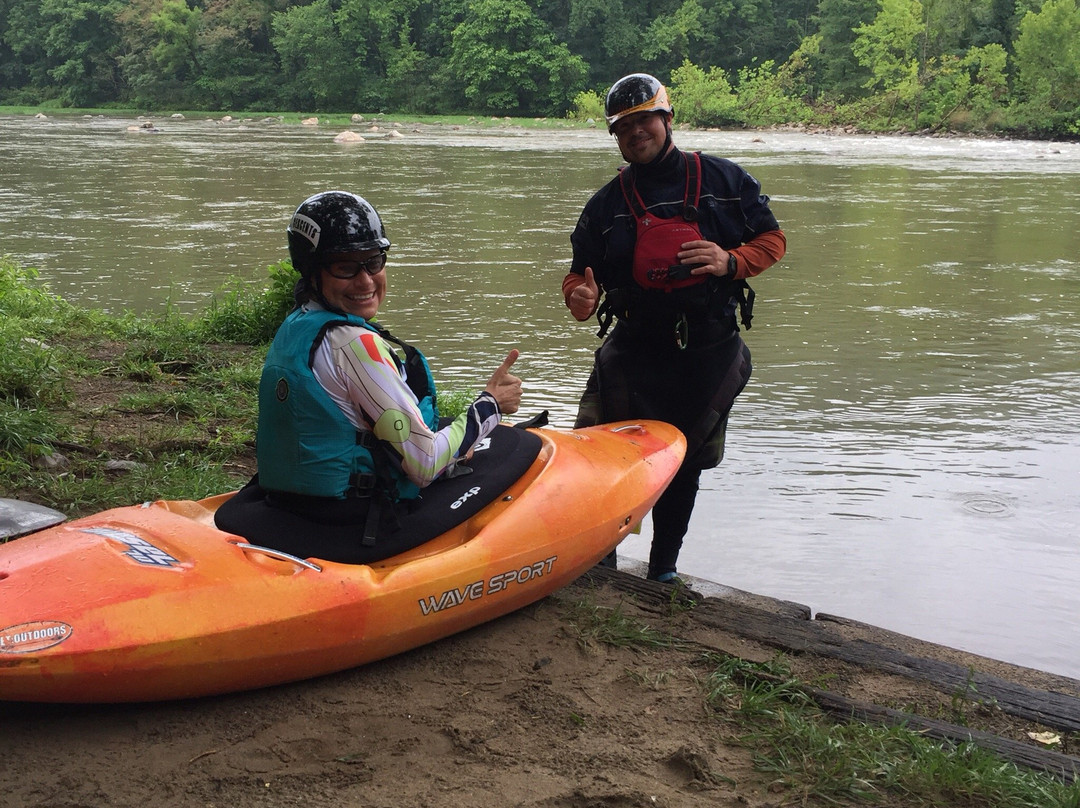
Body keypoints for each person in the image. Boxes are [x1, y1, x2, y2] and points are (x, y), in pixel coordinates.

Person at [215, 190, 524, 563]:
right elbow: (424, 464)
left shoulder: (298, 323)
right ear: (313, 272)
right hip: (346, 520)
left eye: (374, 262)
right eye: (345, 267)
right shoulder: (357, 345)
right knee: (514, 447)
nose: (365, 281)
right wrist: (490, 404)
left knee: (446, 431)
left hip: (289, 503)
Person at [562, 73, 786, 584]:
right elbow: (579, 277)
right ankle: (604, 567)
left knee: (682, 466)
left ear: (666, 120)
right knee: (601, 458)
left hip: (709, 351)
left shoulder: (726, 182)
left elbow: (772, 241)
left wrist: (731, 261)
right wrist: (579, 297)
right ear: (615, 137)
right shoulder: (604, 205)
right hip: (634, 349)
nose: (635, 132)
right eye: (623, 127)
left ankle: (663, 572)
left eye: (644, 121)